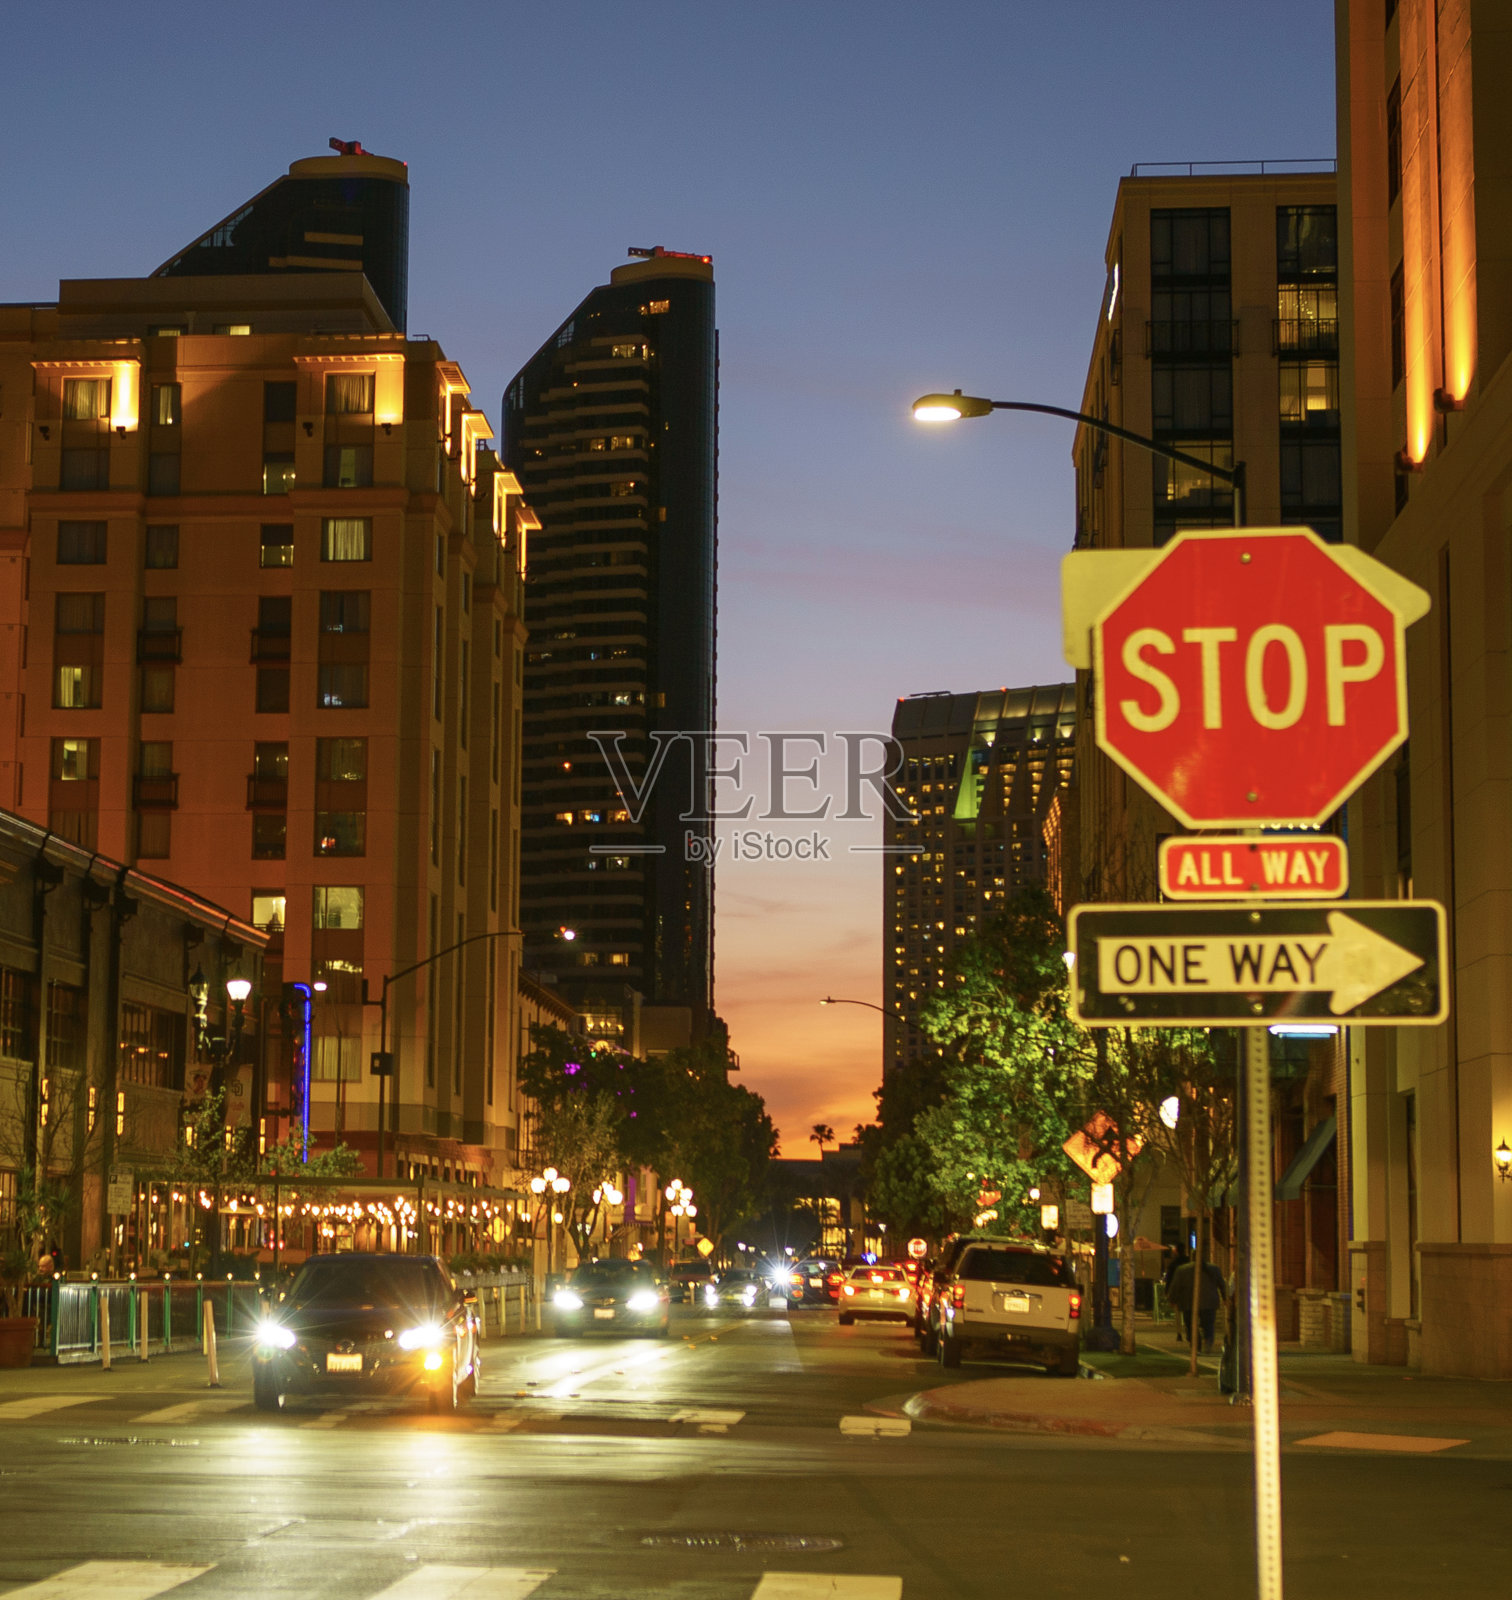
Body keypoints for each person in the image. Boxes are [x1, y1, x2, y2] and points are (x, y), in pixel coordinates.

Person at [1168, 1256, 1227, 1351]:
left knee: (1190, 1324)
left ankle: (1195, 1343)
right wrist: (1225, 1298)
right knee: (1208, 1324)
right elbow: (1222, 1285)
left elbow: (1175, 1286)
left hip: (1188, 1302)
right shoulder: (1214, 1269)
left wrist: (1172, 1299)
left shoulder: (1182, 1270)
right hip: (1209, 1302)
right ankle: (1208, 1342)